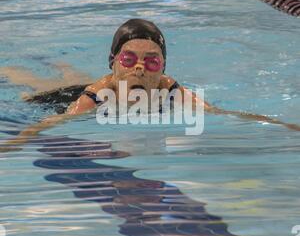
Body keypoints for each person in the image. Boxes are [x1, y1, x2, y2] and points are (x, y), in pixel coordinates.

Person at [0, 18, 299, 152]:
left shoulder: (170, 89)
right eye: (130, 59)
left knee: (63, 71)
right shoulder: (97, 94)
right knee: (28, 82)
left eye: (151, 61)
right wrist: (14, 143)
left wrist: (283, 126)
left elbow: (221, 113)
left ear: (163, 68)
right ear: (113, 62)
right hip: (62, 96)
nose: (141, 68)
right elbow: (55, 121)